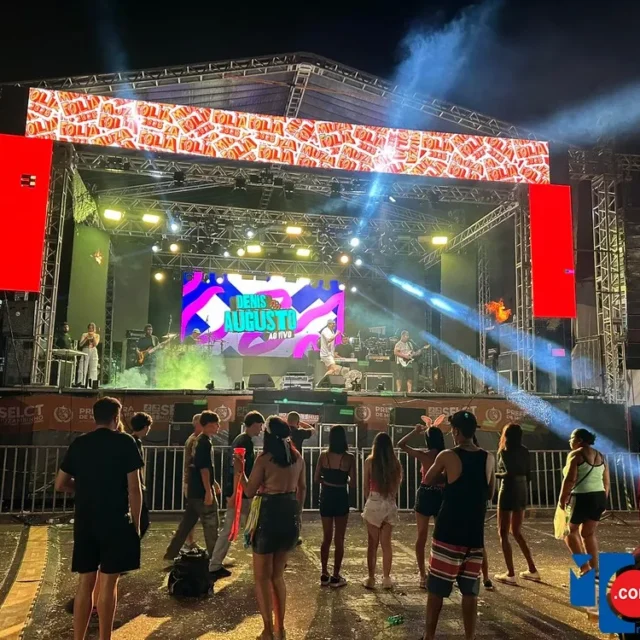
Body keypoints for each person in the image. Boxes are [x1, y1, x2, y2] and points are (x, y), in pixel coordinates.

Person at [54, 397, 143, 640]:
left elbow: (60, 484)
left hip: (85, 520)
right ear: (116, 417)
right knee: (108, 584)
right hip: (115, 520)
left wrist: (84, 487)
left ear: (95, 417)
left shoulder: (80, 443)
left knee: (85, 583)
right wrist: (135, 523)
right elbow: (134, 488)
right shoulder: (125, 442)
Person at [421, 411, 496, 640]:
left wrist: (447, 479)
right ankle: (470, 636)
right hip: (474, 534)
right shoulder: (488, 457)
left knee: (437, 590)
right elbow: (490, 493)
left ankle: (429, 636)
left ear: (455, 431)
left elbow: (428, 479)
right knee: (470, 591)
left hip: (448, 532)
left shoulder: (448, 455)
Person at [233, 415, 306, 640]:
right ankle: (280, 628)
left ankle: (267, 629)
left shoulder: (264, 459)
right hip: (289, 513)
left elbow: (249, 490)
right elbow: (302, 488)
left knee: (262, 577)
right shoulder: (298, 458)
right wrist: (298, 512)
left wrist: (240, 471)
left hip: (268, 514)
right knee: (277, 576)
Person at [209, 410, 265, 579]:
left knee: (249, 526)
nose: (261, 429)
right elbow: (237, 471)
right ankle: (215, 564)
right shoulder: (244, 442)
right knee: (232, 528)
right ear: (253, 424)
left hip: (240, 491)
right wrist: (235, 494)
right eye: (260, 426)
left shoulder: (241, 440)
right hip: (240, 492)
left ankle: (217, 562)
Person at [164, 411, 221, 560]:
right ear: (209, 425)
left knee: (186, 524)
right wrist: (208, 490)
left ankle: (171, 553)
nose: (218, 427)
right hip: (201, 491)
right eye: (216, 424)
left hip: (194, 490)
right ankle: (215, 559)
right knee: (211, 524)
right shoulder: (204, 442)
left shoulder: (197, 440)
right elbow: (204, 468)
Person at [398, 420, 445, 589]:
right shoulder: (447, 455)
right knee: (441, 536)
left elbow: (401, 444)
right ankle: (439, 571)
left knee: (422, 535)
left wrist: (414, 431)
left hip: (425, 493)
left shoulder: (425, 455)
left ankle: (423, 574)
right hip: (441, 494)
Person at [559, 428, 610, 578]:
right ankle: (595, 569)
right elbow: (606, 482)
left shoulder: (575, 454)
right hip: (599, 497)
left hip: (581, 497)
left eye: (572, 438)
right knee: (588, 533)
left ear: (579, 440)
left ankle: (585, 568)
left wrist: (562, 498)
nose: (570, 441)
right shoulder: (600, 456)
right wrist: (603, 501)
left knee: (568, 531)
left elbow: (570, 479)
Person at [493, 423, 539, 585]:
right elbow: (528, 473)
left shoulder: (505, 451)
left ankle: (510, 573)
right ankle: (532, 569)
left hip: (508, 489)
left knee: (503, 532)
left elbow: (509, 472)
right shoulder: (525, 450)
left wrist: (496, 475)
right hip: (522, 489)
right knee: (516, 531)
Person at [313, 425, 357, 588]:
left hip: (326, 496)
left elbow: (316, 479)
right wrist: (343, 480)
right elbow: (353, 483)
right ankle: (336, 576)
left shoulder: (323, 456)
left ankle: (324, 573)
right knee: (339, 538)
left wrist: (327, 481)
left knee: (326, 537)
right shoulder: (349, 458)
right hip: (341, 497)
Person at [361, 431, 403, 590]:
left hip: (374, 501)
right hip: (390, 502)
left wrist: (370, 500)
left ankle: (371, 578)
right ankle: (386, 578)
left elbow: (365, 486)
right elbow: (397, 485)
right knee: (387, 544)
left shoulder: (370, 461)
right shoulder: (395, 463)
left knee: (372, 544)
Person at [130, 412, 153, 538]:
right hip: (137, 484)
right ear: (145, 427)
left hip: (134, 484)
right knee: (142, 520)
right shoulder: (135, 442)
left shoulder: (131, 441)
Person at [76, 323, 100, 388]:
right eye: (90, 328)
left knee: (93, 368)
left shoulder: (97, 335)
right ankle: (81, 382)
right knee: (82, 366)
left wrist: (93, 337)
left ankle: (92, 384)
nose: (91, 329)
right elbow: (80, 344)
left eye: (92, 328)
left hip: (93, 350)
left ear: (94, 329)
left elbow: (96, 344)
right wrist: (86, 338)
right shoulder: (84, 334)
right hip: (85, 349)